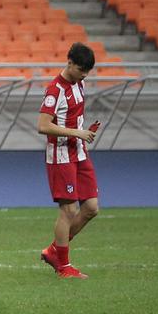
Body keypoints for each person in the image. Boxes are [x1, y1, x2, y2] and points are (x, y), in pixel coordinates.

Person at [37, 42, 100, 280]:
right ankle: (64, 266)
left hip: (80, 152)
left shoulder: (79, 83)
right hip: (61, 155)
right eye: (81, 70)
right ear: (69, 62)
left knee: (91, 208)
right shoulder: (55, 90)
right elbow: (42, 126)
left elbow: (73, 117)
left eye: (87, 71)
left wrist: (85, 131)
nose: (84, 75)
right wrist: (77, 133)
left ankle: (55, 250)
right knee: (69, 210)